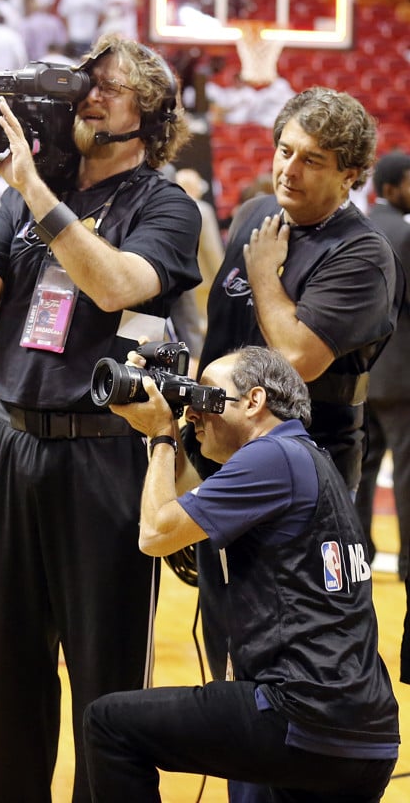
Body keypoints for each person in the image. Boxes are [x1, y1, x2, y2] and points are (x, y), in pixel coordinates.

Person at [0, 33, 203, 803]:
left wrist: (36, 195)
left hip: (105, 457)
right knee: (2, 675)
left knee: (105, 679)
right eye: (84, 85)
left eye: (109, 88)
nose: (88, 96)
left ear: (150, 114)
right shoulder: (29, 192)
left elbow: (117, 284)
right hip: (9, 446)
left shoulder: (164, 203)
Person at [194, 87, 404, 803]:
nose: (289, 170)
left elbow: (297, 360)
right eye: (284, 151)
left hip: (312, 475)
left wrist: (263, 277)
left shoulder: (364, 253)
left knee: (294, 636)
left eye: (312, 160)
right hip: (233, 463)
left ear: (350, 174)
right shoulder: (255, 215)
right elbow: (220, 343)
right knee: (237, 637)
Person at [83, 346, 400, 803]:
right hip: (362, 733)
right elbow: (189, 503)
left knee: (109, 725)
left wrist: (161, 438)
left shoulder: (271, 458)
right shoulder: (304, 458)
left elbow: (155, 533)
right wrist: (156, 421)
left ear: (254, 401)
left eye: (209, 396)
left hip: (299, 715)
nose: (195, 410)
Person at [355, 151, 410, 576]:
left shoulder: (356, 225)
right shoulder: (404, 234)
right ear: (392, 187)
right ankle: (408, 558)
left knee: (361, 471)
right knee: (406, 472)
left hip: (359, 372)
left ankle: (359, 555)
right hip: (401, 375)